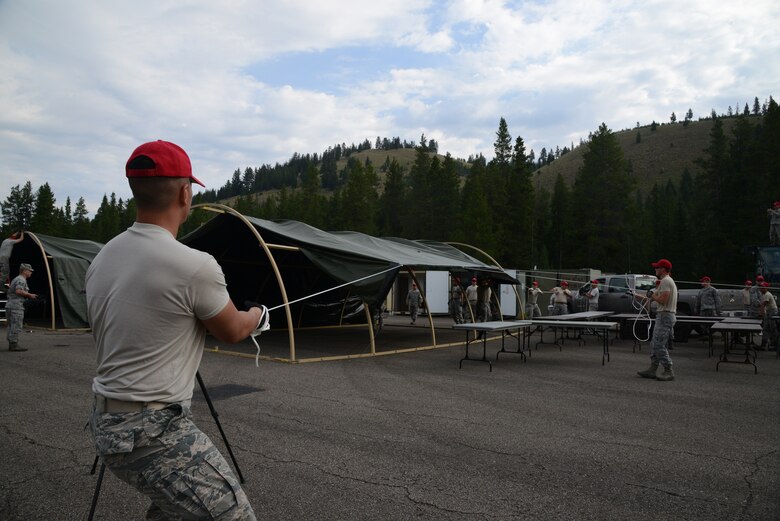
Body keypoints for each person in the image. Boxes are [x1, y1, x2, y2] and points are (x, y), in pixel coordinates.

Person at [86, 140, 262, 520]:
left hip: (108, 423)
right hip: (150, 432)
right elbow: (232, 329)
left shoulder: (103, 258)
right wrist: (258, 314)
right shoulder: (194, 265)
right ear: (186, 193)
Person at [635, 258, 677, 381]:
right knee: (655, 344)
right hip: (663, 316)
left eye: (657, 267)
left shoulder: (665, 281)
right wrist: (634, 295)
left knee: (659, 345)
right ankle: (653, 369)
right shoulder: (665, 281)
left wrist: (651, 295)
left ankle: (668, 370)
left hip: (665, 316)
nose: (655, 269)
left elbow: (662, 300)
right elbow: (651, 298)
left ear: (663, 269)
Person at [6, 263, 36, 352]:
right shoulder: (21, 279)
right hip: (16, 307)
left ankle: (12, 344)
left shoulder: (16, 279)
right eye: (30, 271)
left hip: (11, 305)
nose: (31, 273)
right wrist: (30, 295)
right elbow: (18, 291)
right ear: (24, 271)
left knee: (11, 325)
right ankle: (13, 345)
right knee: (16, 325)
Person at [758, 282, 778, 350]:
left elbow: (763, 305)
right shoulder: (764, 295)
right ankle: (763, 344)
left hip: (772, 312)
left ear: (766, 288)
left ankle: (775, 344)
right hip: (769, 311)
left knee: (772, 328)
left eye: (763, 287)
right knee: (765, 328)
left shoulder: (767, 294)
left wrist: (762, 314)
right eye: (760, 287)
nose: (761, 289)